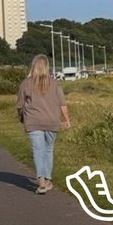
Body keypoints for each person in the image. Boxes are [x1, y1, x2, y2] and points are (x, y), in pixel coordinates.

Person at [16, 55, 71, 193]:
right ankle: (47, 179)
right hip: (52, 121)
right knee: (48, 149)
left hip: (33, 121)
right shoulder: (54, 83)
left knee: (38, 150)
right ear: (47, 67)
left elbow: (20, 105)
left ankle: (41, 181)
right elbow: (62, 104)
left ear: (33, 66)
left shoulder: (26, 83)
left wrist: (22, 117)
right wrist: (66, 120)